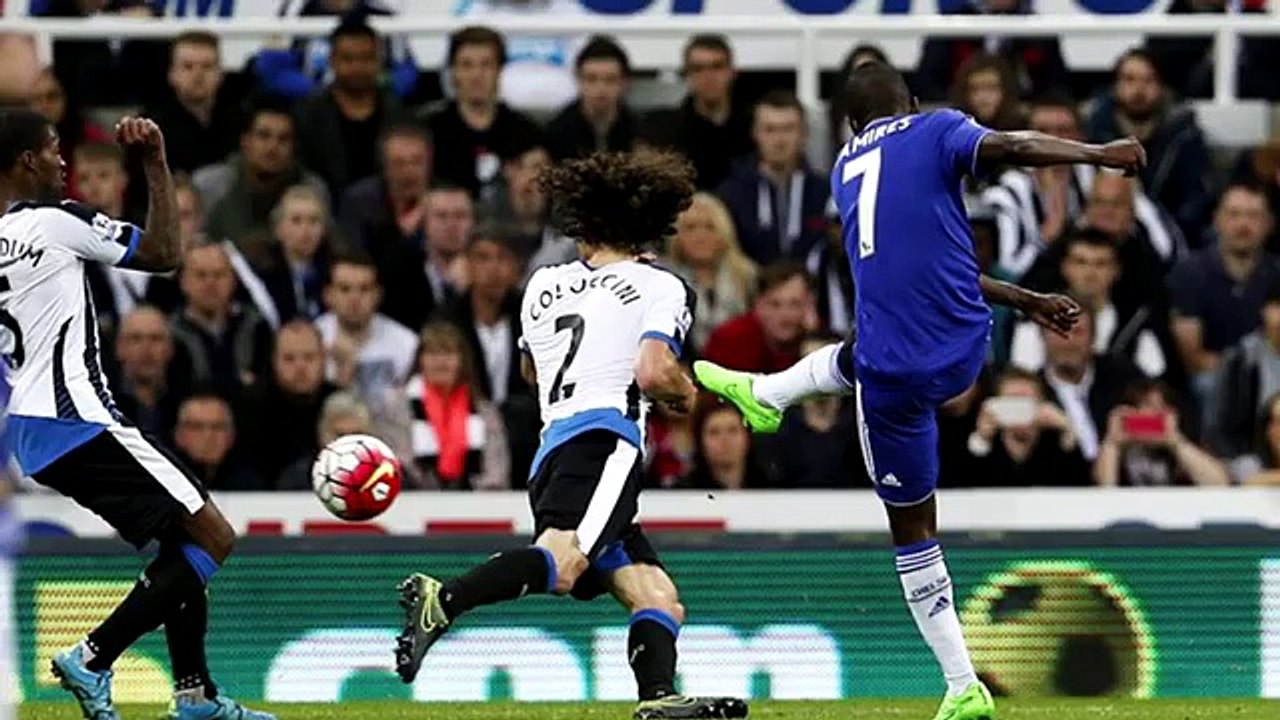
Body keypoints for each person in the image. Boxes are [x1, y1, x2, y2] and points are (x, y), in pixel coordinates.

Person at [694, 62, 1143, 720]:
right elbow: (1011, 149)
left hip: (893, 371)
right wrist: (1096, 154)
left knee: (911, 528)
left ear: (851, 123)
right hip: (964, 345)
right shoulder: (934, 128)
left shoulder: (846, 168)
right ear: (910, 99)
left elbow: (914, 262)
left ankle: (963, 683)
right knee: (866, 350)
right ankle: (770, 393)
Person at [393, 150, 747, 720]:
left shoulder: (543, 283)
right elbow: (654, 372)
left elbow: (533, 372)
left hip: (553, 448)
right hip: (606, 443)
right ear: (651, 226)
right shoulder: (661, 285)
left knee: (657, 595)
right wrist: (684, 394)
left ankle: (659, 699)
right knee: (565, 560)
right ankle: (445, 598)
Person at [0, 109, 273, 720]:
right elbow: (165, 252)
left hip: (28, 426)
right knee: (213, 535)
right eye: (52, 150)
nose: (63, 162)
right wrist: (154, 162)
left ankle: (195, 696)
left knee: (181, 540)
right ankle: (92, 657)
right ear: (25, 162)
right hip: (78, 415)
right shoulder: (54, 221)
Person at [1085, 48, 1213, 239]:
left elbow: (1196, 201)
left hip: (1168, 237)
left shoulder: (1184, 136)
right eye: (1129, 79)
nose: (1139, 90)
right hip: (1101, 237)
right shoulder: (1094, 133)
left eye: (1148, 80)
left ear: (1162, 87)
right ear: (1115, 86)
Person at [1168, 183, 1279, 398]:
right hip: (1212, 377)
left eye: (1254, 216)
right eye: (1234, 214)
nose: (1243, 224)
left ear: (1269, 224)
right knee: (1210, 385)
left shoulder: (1277, 273)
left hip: (1272, 373)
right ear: (1217, 219)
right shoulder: (1189, 274)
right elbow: (1194, 358)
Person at [422, 26, 542, 202]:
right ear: (453, 72)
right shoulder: (428, 131)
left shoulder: (526, 133)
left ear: (500, 71)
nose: (476, 75)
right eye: (466, 65)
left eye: (486, 65)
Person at [386, 322, 510, 491]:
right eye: (432, 353)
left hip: (477, 504)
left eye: (449, 353)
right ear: (420, 360)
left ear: (462, 360)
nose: (441, 361)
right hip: (415, 500)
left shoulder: (484, 411)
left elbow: (496, 470)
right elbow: (399, 462)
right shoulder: (398, 405)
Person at [294, 17, 407, 198]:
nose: (357, 67)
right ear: (332, 60)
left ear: (379, 61)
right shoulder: (307, 115)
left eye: (366, 58)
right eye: (348, 59)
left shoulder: (399, 114)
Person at [716, 90, 830, 266]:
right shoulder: (731, 194)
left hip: (810, 289)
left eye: (788, 129)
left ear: (804, 134)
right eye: (770, 129)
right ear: (755, 133)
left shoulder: (825, 192)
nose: (779, 139)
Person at [194, 100, 328, 249]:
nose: (272, 147)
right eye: (263, 136)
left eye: (283, 139)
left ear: (294, 147)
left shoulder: (311, 189)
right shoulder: (210, 185)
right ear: (245, 141)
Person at [640, 34, 754, 191]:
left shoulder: (754, 128)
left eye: (717, 66)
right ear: (687, 75)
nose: (708, 76)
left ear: (732, 72)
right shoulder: (666, 133)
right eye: (698, 69)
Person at [235, 320, 337, 487]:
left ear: (323, 358)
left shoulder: (338, 402)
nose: (300, 367)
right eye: (289, 359)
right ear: (274, 361)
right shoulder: (249, 405)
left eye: (309, 357)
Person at [664, 192, 757, 354]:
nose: (700, 237)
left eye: (710, 227)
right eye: (690, 228)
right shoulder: (665, 282)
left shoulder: (749, 278)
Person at [964, 368, 1089, 487]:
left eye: (1025, 401)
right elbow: (965, 484)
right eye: (1011, 401)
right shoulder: (989, 443)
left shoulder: (1053, 442)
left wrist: (1067, 428)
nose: (1019, 410)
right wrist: (982, 438)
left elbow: (1079, 484)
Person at [141, 31, 241, 177]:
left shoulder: (240, 122)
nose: (198, 75)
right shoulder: (151, 127)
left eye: (207, 66)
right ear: (172, 74)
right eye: (188, 66)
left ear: (221, 74)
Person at [1095, 379, 1229, 487]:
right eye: (1148, 405)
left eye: (1162, 408)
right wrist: (1112, 443)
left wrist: (1176, 442)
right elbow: (1104, 490)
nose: (1155, 414)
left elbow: (1220, 485)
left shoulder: (1183, 445)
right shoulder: (1118, 450)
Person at [700, 261, 812, 374]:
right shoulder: (731, 338)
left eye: (795, 304)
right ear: (757, 305)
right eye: (774, 304)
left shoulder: (819, 339)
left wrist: (813, 336)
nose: (785, 315)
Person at [337, 122, 432, 254]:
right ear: (384, 167)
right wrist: (403, 235)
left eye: (417, 162)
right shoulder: (359, 201)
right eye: (399, 163)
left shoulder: (447, 199)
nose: (409, 171)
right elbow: (354, 260)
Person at [546, 35, 639, 162]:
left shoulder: (640, 134)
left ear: (625, 83)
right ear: (578, 80)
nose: (601, 88)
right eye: (591, 79)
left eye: (610, 80)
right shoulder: (556, 134)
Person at [172, 394, 264, 491]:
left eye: (218, 427)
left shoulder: (250, 485)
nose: (208, 436)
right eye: (197, 427)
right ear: (179, 435)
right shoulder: (165, 482)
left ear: (231, 436)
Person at [679, 401, 772, 490]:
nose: (724, 440)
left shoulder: (775, 491)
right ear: (700, 440)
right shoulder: (680, 494)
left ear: (747, 437)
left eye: (732, 430)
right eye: (714, 432)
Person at [946, 53, 1026, 132]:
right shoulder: (954, 131)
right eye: (975, 89)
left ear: (1005, 91)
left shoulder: (1023, 131)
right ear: (964, 93)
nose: (984, 97)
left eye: (991, 88)